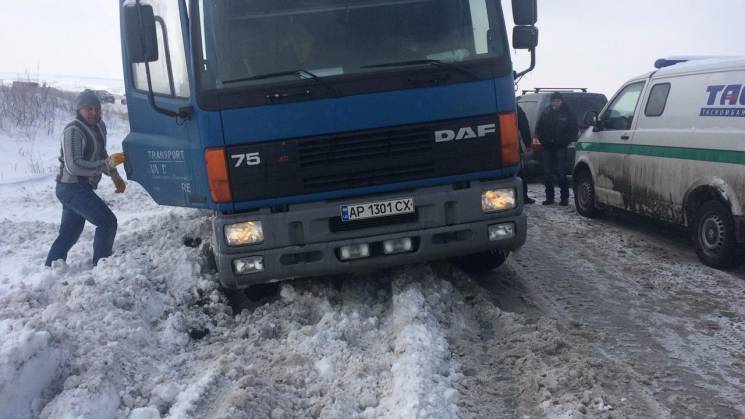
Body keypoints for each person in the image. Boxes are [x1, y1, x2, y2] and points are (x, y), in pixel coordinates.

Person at [46, 90, 127, 267]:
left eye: (96, 109)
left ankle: (51, 266)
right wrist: (105, 165)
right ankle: (103, 265)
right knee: (107, 222)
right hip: (71, 188)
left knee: (70, 232)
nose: (93, 113)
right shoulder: (73, 131)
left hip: (81, 188)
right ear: (79, 110)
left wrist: (115, 177)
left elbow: (102, 155)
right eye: (88, 109)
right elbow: (73, 165)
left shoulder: (100, 126)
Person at [534, 92, 578, 206]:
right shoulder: (546, 112)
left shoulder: (568, 112)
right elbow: (539, 129)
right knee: (547, 174)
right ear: (551, 101)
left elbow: (573, 129)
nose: (556, 103)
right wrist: (544, 141)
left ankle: (564, 198)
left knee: (561, 173)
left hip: (561, 147)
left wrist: (564, 141)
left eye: (558, 101)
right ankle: (549, 198)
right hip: (547, 147)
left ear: (561, 101)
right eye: (554, 100)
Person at [516, 104, 535, 204]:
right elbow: (524, 126)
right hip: (511, 145)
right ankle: (523, 197)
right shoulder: (514, 107)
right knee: (519, 172)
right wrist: (527, 144)